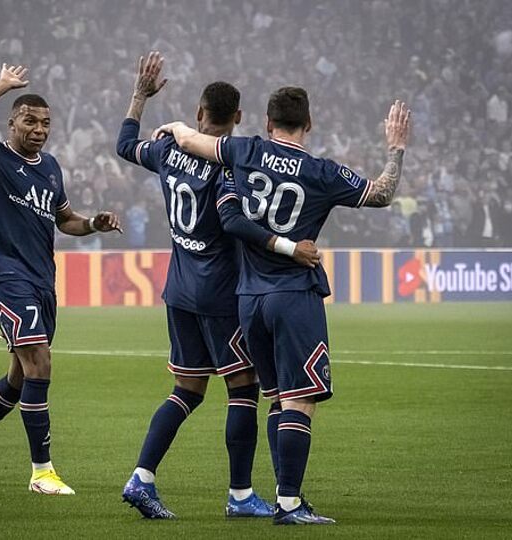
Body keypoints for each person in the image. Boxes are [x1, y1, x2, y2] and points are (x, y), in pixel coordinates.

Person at [154, 88, 410, 525]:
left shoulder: (245, 150)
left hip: (248, 299)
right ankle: (289, 502)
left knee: (275, 397)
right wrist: (396, 148)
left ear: (268, 122)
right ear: (308, 124)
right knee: (300, 401)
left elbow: (192, 141)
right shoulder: (321, 172)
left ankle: (282, 495)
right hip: (293, 295)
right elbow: (382, 194)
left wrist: (176, 126)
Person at [116, 52, 320, 519]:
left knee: (187, 391)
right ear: (240, 118)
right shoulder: (231, 166)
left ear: (198, 113)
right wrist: (289, 246)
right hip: (221, 293)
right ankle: (241, 495)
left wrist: (139, 97)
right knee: (244, 390)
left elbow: (125, 144)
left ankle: (141, 478)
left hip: (179, 290)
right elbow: (234, 220)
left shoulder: (167, 150)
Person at [0, 63, 122, 495]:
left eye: (45, 123)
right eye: (30, 121)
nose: (39, 129)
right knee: (40, 362)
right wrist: (2, 86)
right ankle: (42, 472)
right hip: (7, 276)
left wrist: (92, 224)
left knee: (20, 379)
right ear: (12, 123)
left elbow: (65, 220)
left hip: (42, 281)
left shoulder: (52, 167)